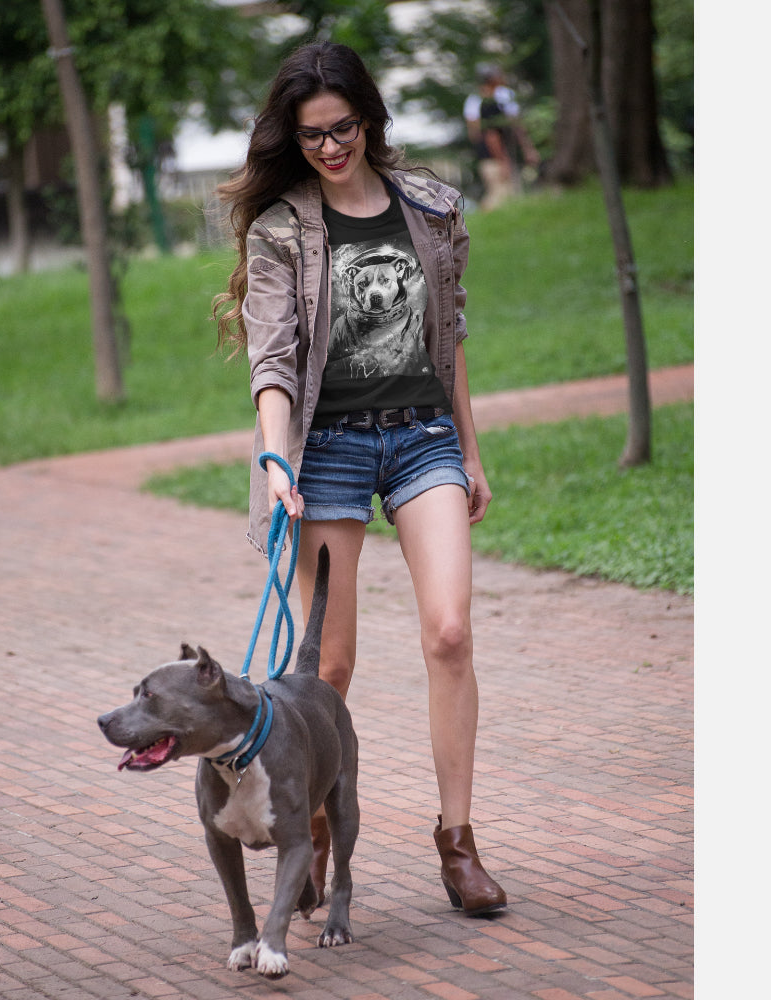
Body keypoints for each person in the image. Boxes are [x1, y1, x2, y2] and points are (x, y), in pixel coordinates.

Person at [213, 41, 507, 917]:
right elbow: (272, 360)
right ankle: (310, 831)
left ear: (370, 121)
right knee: (327, 666)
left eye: (342, 129)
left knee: (450, 633)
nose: (330, 147)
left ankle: (457, 841)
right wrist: (277, 458)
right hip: (327, 451)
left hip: (421, 441)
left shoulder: (431, 209)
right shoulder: (281, 230)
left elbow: (448, 342)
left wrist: (471, 452)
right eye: (311, 138)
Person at [463, 65, 539, 211]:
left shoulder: (481, 100)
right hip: (497, 155)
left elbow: (474, 133)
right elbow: (491, 135)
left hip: (494, 154)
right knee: (502, 196)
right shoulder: (486, 102)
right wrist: (504, 160)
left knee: (501, 194)